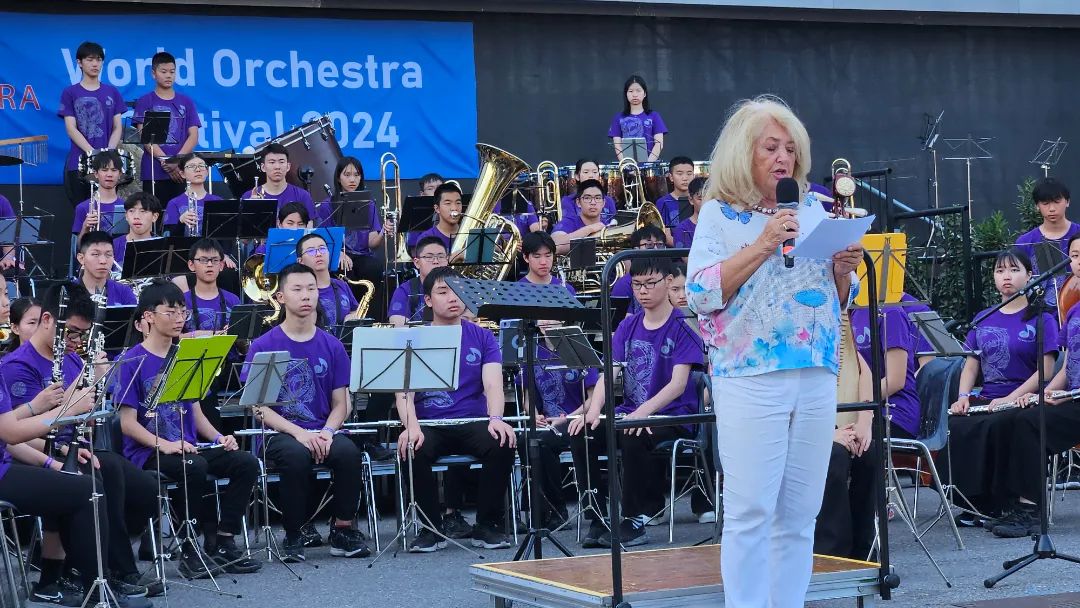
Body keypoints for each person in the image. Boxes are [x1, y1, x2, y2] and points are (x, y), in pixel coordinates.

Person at [686, 95, 862, 607]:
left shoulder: (813, 209)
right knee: (751, 511)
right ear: (744, 153)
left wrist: (843, 270)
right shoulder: (719, 215)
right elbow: (699, 293)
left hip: (815, 373)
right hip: (750, 375)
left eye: (790, 148)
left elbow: (836, 302)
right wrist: (763, 244)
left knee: (802, 513)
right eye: (771, 147)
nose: (784, 157)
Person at [3, 283, 159, 599]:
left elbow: (16, 422)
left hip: (61, 446)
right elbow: (12, 435)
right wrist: (59, 435)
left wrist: (96, 385)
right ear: (49, 320)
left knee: (138, 485)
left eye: (81, 335)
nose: (75, 342)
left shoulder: (72, 358)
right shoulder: (16, 366)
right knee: (89, 486)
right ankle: (98, 579)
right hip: (30, 452)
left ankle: (107, 569)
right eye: (71, 333)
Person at [116, 281, 261, 578]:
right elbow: (127, 423)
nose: (179, 318)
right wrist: (165, 445)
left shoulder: (186, 355)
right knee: (194, 467)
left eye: (182, 312)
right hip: (149, 451)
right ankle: (189, 547)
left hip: (189, 447)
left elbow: (195, 412)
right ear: (148, 316)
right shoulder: (131, 360)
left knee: (246, 462)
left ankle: (224, 540)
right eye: (170, 312)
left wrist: (219, 437)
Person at [568, 258, 705, 548]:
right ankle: (597, 515)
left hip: (673, 416)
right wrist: (594, 410)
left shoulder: (683, 325)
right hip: (631, 413)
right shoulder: (628, 324)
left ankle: (634, 519)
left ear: (669, 282)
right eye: (637, 284)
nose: (643, 291)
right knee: (583, 432)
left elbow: (678, 385)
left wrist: (642, 413)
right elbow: (609, 373)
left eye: (650, 283)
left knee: (632, 434)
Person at [242, 264, 369, 561]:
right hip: (279, 432)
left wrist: (327, 432)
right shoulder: (264, 345)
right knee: (295, 456)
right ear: (281, 297)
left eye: (311, 289)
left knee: (348, 453)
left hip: (322, 428)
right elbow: (259, 408)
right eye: (297, 289)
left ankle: (342, 529)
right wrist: (299, 433)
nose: (306, 295)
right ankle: (294, 533)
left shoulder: (332, 345)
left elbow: (341, 403)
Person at [394, 266, 516, 552]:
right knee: (412, 446)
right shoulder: (414, 337)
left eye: (459, 291)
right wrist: (411, 426)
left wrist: (496, 418)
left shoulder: (483, 337)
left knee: (502, 440)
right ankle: (430, 529)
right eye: (443, 292)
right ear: (428, 300)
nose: (453, 298)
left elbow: (493, 384)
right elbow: (403, 393)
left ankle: (486, 525)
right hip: (429, 423)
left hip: (472, 419)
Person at [948, 250, 1058, 525]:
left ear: (1030, 276)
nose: (1006, 276)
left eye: (1014, 270)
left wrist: (1011, 397)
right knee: (959, 424)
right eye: (1000, 271)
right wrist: (963, 396)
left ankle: (1002, 501)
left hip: (1023, 397)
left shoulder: (1042, 317)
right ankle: (975, 503)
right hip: (988, 396)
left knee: (999, 423)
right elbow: (971, 365)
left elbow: (1046, 370)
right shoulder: (983, 317)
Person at [989, 234, 1080, 539]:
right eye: (1075, 256)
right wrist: (1045, 392)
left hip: (1076, 399)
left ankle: (1030, 511)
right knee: (1019, 415)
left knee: (1031, 423)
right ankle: (1010, 504)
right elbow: (1068, 366)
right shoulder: (1074, 309)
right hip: (1073, 397)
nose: (1079, 262)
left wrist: (1064, 396)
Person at [814, 352, 877, 560]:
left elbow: (863, 370)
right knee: (835, 455)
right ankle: (831, 553)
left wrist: (865, 420)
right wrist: (827, 434)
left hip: (836, 422)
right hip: (800, 428)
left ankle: (864, 553)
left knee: (868, 452)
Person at [58, 41, 125, 206]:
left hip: (108, 166)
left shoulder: (112, 91)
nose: (95, 64)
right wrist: (93, 154)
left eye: (99, 60)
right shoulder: (70, 92)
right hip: (79, 163)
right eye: (90, 59)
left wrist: (108, 153)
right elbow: (71, 128)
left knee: (108, 211)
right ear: (79, 62)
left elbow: (117, 127)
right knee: (83, 211)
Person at [133, 51, 201, 204]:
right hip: (154, 171)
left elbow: (193, 136)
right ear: (153, 73)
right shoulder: (145, 101)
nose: (168, 76)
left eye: (172, 72)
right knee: (154, 213)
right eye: (163, 72)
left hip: (181, 170)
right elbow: (145, 137)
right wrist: (166, 161)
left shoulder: (186, 102)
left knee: (181, 214)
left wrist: (176, 161)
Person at [318, 157, 386, 292]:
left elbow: (372, 242)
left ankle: (366, 304)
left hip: (362, 255)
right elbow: (323, 239)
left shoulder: (368, 203)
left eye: (356, 175)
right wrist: (338, 253)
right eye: (347, 175)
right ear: (338, 178)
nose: (352, 180)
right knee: (343, 268)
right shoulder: (327, 205)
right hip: (338, 255)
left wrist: (384, 232)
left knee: (374, 268)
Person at [1015, 177, 1079, 309]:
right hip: (1037, 312)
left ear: (1067, 201)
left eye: (1057, 202)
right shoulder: (1025, 242)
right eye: (1045, 203)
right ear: (1037, 206)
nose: (1052, 209)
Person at [295, 233, 359, 328]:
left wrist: (354, 316)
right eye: (311, 251)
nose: (319, 254)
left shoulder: (342, 285)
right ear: (300, 261)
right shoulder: (297, 292)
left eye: (322, 249)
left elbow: (355, 311)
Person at [242, 143, 316, 219]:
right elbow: (243, 225)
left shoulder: (303, 196)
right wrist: (250, 207)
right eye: (272, 162)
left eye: (281, 162)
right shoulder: (248, 197)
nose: (277, 167)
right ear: (263, 167)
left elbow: (309, 226)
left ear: (288, 166)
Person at [388, 237, 448, 327]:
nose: (436, 261)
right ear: (416, 263)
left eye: (441, 257)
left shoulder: (460, 286)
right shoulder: (405, 290)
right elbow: (398, 326)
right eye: (429, 257)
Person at [611, 225, 667, 318]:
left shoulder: (674, 276)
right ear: (636, 250)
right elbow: (621, 321)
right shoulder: (624, 284)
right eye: (649, 245)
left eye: (660, 245)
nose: (656, 250)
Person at [609, 75, 667, 163]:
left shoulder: (654, 116)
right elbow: (617, 146)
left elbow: (659, 144)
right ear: (626, 94)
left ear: (645, 93)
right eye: (631, 91)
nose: (635, 95)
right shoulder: (618, 118)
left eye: (638, 91)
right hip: (627, 166)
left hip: (649, 166)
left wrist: (648, 164)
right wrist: (628, 164)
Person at [164, 153, 223, 236]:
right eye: (191, 166)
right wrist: (181, 221)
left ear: (207, 172)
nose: (198, 169)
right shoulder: (174, 203)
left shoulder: (218, 201)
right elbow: (169, 237)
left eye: (201, 166)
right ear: (182, 174)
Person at [76, 231, 137, 305]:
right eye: (96, 254)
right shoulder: (67, 292)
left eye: (108, 254)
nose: (103, 261)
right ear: (81, 258)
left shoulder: (124, 292)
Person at [72, 149, 123, 238]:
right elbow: (78, 245)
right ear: (96, 173)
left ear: (120, 174)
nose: (109, 174)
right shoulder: (82, 207)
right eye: (104, 170)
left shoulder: (127, 207)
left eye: (114, 170)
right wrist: (85, 227)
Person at [551, 179, 608, 255]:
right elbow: (555, 246)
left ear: (603, 203)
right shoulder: (569, 222)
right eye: (587, 198)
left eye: (597, 198)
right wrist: (590, 229)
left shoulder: (608, 225)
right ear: (578, 202)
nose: (593, 202)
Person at [409, 182, 462, 253]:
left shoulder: (471, 234)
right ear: (437, 208)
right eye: (448, 203)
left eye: (458, 203)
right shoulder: (426, 237)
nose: (454, 208)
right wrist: (455, 257)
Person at [114, 192, 162, 268]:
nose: (136, 216)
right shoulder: (113, 246)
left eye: (143, 211)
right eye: (131, 211)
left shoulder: (163, 245)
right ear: (126, 216)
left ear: (154, 217)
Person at [560, 159, 617, 223]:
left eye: (595, 172)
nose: (591, 176)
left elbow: (614, 223)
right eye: (586, 172)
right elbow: (567, 224)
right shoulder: (568, 201)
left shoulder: (608, 200)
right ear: (577, 176)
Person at [655, 156, 696, 229]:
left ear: (694, 176)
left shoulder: (700, 201)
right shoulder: (662, 202)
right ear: (671, 177)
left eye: (689, 174)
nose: (685, 178)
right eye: (680, 174)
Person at [673, 176, 706, 249]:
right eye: (700, 199)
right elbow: (684, 256)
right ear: (691, 200)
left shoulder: (720, 225)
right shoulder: (682, 229)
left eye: (709, 198)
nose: (705, 202)